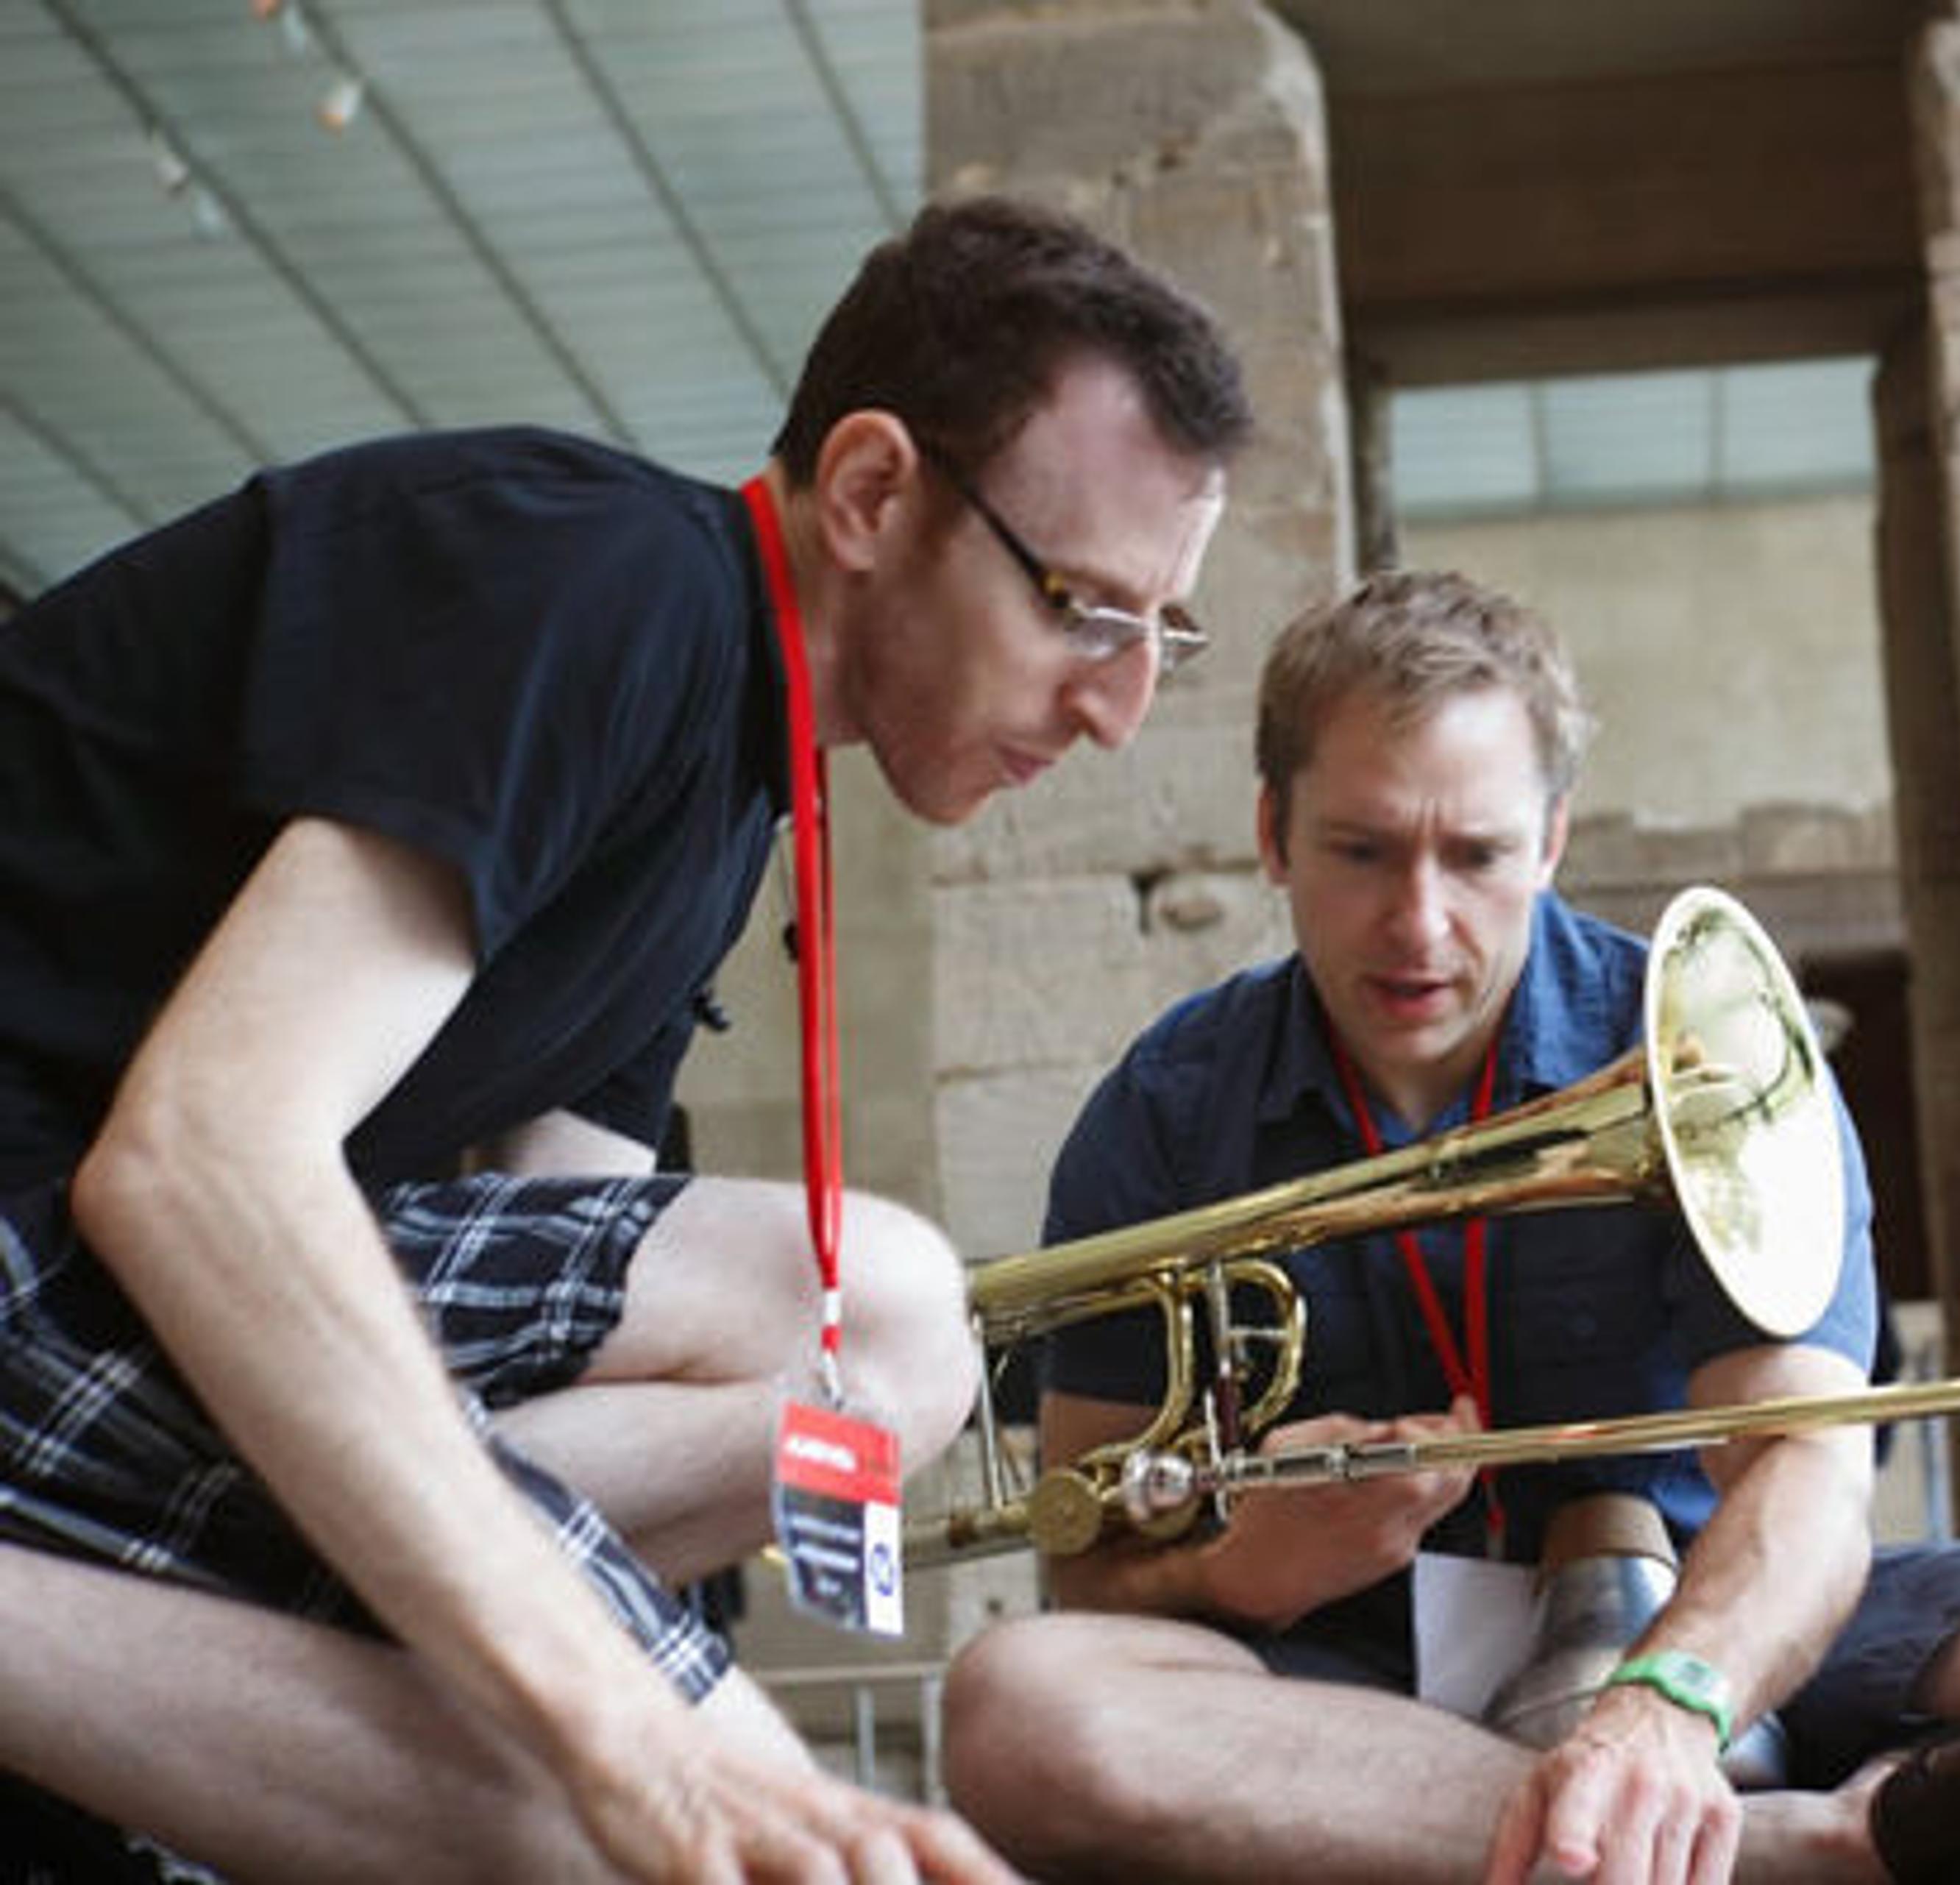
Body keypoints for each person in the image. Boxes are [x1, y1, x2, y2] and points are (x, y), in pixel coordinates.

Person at [941, 568, 1960, 1884]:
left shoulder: (1712, 1051)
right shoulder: (1167, 1112)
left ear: (1556, 843)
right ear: (1270, 838)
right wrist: (1251, 1558)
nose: (1421, 921)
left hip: (1715, 1621)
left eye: (1479, 854)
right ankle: (1823, 1851)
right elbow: (1091, 1576)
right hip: (1345, 1672)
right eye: (1362, 851)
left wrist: (1666, 1702)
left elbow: (1804, 1477)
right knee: (1020, 1705)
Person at [0, 194, 1249, 1881]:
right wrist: (619, 1730)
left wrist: (621, 1705)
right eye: (1087, 610)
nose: (1119, 709)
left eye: (1163, 636)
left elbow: (547, 1301)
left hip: (86, 1290)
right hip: (49, 1218)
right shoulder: (602, 585)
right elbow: (198, 1160)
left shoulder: (728, 792)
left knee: (867, 1355)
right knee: (623, 1764)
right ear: (875, 493)